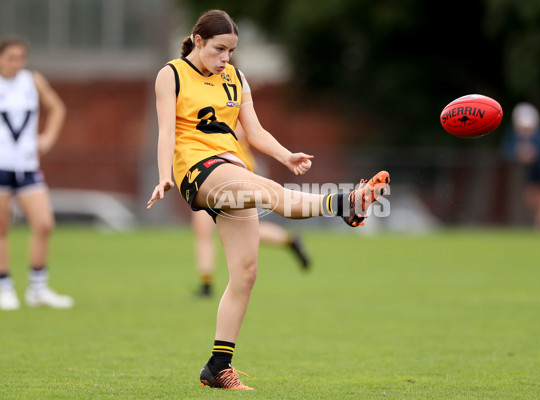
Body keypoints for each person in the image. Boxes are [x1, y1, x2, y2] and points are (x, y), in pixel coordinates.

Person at [146, 10, 390, 390]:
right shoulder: (171, 74)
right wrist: (165, 174)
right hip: (196, 169)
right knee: (268, 193)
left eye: (231, 50)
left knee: (245, 272)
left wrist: (285, 155)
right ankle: (346, 204)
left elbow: (255, 131)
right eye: (219, 49)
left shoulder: (236, 78)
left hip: (230, 163)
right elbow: (165, 133)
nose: (226, 58)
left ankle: (217, 366)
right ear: (198, 41)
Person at [193, 125, 310, 298]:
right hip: (206, 172)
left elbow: (241, 133)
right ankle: (206, 284)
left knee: (247, 232)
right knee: (203, 230)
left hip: (236, 172)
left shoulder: (232, 101)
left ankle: (289, 240)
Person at [0, 35, 73, 310]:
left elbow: (57, 108)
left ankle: (38, 288)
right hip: (1, 166)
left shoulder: (32, 80)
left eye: (20, 58)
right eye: (10, 58)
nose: (16, 63)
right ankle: (4, 288)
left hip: (28, 165)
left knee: (44, 223)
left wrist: (48, 137)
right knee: (2, 228)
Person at [501, 102, 540, 231]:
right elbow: (508, 152)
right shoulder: (515, 136)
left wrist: (531, 154)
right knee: (531, 198)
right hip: (531, 172)